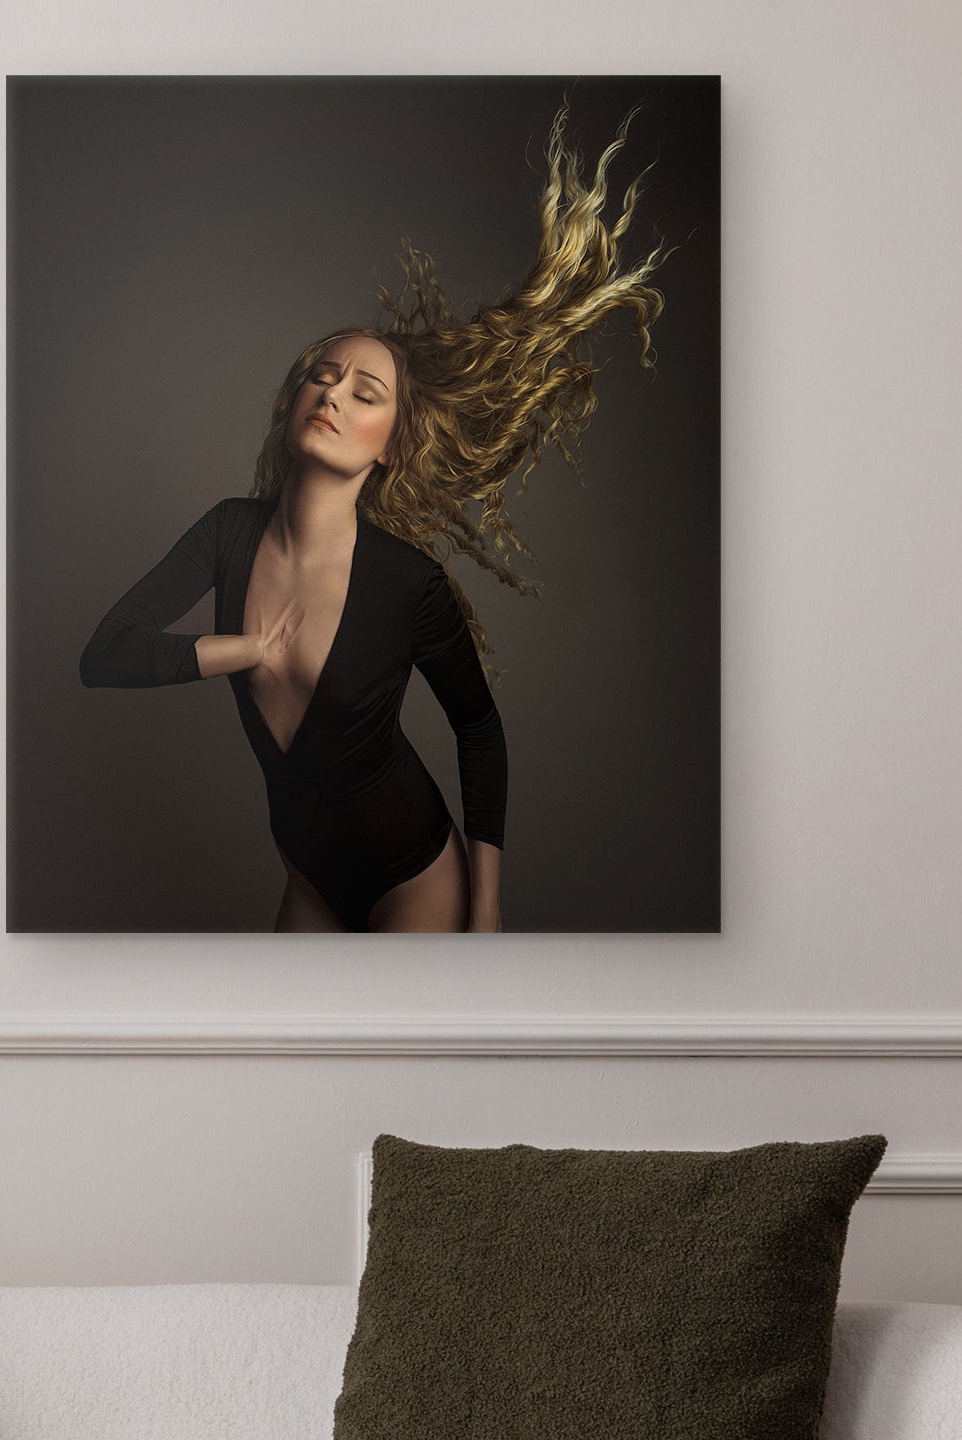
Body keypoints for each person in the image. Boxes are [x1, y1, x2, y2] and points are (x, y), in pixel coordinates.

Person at [79, 111, 668, 932]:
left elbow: (480, 729)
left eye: (366, 394)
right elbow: (103, 655)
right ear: (294, 402)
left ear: (390, 447)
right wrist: (244, 651)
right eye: (324, 377)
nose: (333, 394)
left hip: (415, 880)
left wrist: (488, 910)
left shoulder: (408, 585)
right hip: (308, 880)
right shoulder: (227, 533)